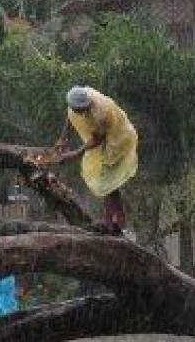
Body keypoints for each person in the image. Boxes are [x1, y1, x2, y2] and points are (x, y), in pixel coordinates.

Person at [54, 86, 138, 232]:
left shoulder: (101, 113)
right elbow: (71, 117)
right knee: (108, 183)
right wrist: (63, 138)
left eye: (83, 110)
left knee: (108, 182)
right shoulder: (75, 104)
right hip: (103, 140)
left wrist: (74, 154)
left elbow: (97, 140)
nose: (80, 113)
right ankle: (114, 221)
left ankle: (116, 223)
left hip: (117, 140)